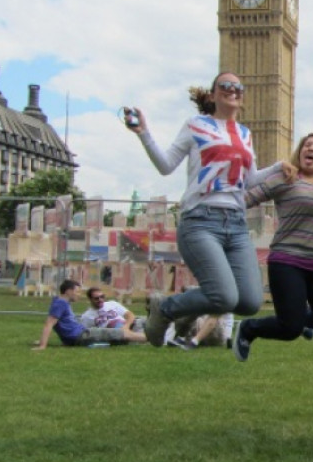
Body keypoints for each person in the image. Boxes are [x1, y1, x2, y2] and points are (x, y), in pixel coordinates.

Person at [124, 73, 291, 346]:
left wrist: (278, 167)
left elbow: (248, 180)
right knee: (224, 297)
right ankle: (165, 310)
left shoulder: (245, 134)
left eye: (238, 87)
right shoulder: (196, 125)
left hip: (236, 223)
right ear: (212, 95)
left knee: (249, 301)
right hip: (200, 220)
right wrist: (144, 134)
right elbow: (166, 165)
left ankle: (182, 309)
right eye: (225, 85)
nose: (232, 90)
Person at [231, 133, 313, 361]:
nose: (310, 149)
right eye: (306, 145)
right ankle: (249, 328)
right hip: (287, 259)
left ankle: (300, 315)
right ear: (300, 153)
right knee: (290, 329)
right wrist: (213, 200)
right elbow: (246, 199)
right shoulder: (286, 179)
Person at [32, 279, 146, 349]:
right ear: (68, 291)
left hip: (81, 335)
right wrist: (43, 345)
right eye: (77, 292)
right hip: (82, 335)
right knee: (119, 333)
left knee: (118, 336)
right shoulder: (60, 303)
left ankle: (148, 338)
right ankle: (152, 340)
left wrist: (42, 341)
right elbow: (49, 324)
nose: (78, 295)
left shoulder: (61, 302)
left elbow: (59, 325)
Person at [169, 312, 234, 350]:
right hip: (217, 337)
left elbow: (227, 320)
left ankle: (190, 340)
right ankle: (183, 339)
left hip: (215, 334)